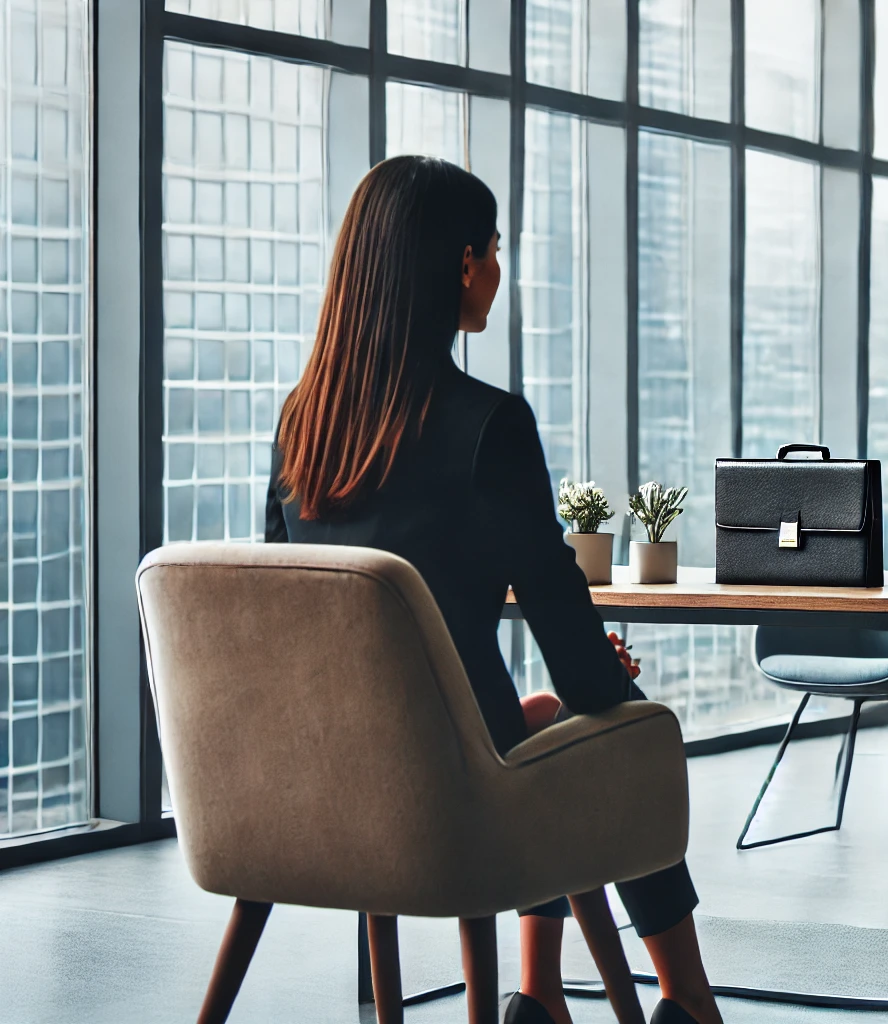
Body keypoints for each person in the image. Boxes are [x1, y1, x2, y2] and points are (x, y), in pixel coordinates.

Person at [265, 156, 722, 1024]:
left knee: (545, 718)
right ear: (465, 263)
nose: (500, 271)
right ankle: (686, 1000)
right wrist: (603, 685)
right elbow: (562, 620)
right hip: (456, 794)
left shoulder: (299, 425)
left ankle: (539, 997)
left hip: (324, 789)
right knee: (615, 730)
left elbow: (294, 625)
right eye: (497, 249)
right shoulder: (489, 424)